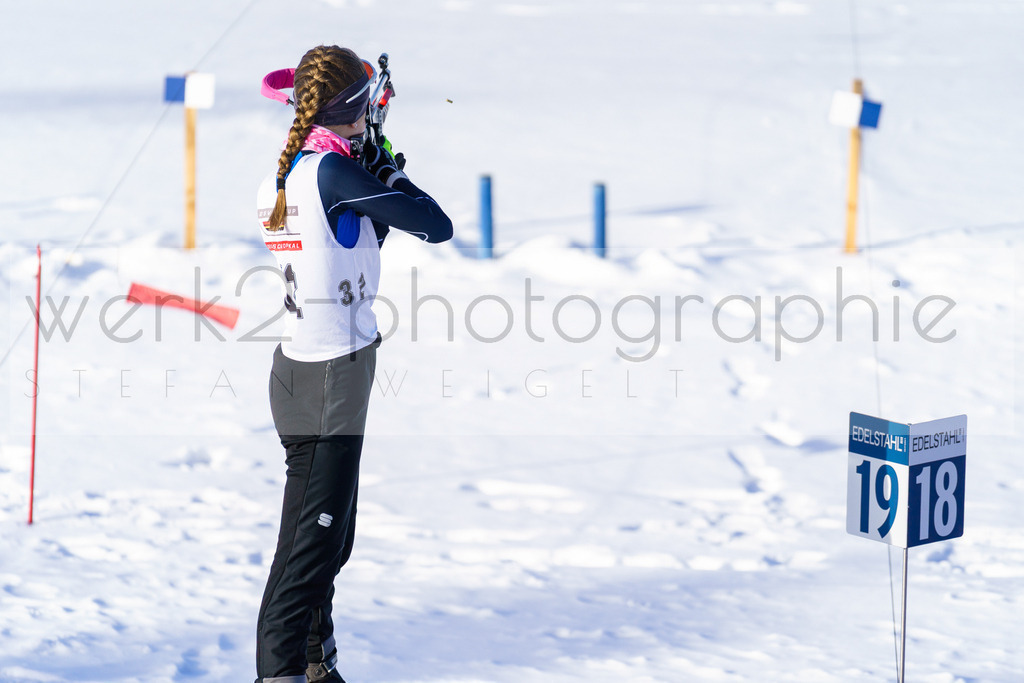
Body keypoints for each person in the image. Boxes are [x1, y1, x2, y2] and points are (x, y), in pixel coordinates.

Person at [254, 45, 452, 683]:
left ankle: (318, 667)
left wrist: (369, 164)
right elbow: (434, 223)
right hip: (328, 380)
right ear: (354, 110)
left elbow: (355, 241)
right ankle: (280, 674)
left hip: (312, 373)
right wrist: (390, 172)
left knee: (328, 544)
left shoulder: (296, 171)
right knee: (306, 556)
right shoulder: (333, 176)